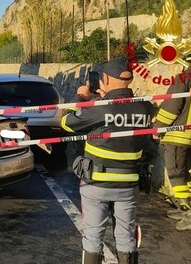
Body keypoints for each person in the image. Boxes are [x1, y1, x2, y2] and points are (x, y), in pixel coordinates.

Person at [61, 56, 154, 264]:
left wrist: (81, 98)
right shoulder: (145, 107)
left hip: (97, 183)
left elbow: (67, 123)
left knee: (93, 236)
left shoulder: (98, 107)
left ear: (105, 78)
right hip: (129, 185)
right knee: (126, 237)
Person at [153, 49, 191, 231]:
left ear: (189, 63)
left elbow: (171, 107)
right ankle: (186, 204)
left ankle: (189, 215)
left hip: (176, 136)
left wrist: (157, 128)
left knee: (174, 173)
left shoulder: (183, 79)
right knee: (184, 172)